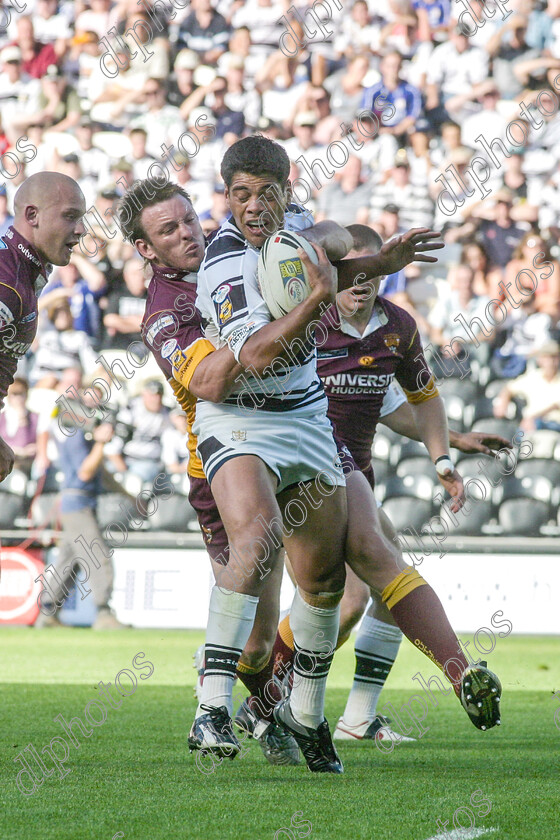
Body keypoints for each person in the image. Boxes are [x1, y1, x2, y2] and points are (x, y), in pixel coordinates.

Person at [120, 176, 349, 769]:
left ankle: (298, 712)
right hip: (223, 452)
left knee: (346, 572)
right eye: (167, 231)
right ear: (147, 249)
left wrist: (334, 249)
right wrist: (273, 322)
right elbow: (214, 381)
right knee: (257, 627)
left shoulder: (243, 246)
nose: (187, 234)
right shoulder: (166, 312)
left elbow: (327, 240)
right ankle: (245, 709)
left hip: (300, 421)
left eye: (188, 220)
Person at [272, 224, 503, 740]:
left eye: (372, 270)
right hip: (304, 472)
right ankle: (265, 691)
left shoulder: (397, 326)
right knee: (355, 590)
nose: (361, 282)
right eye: (353, 271)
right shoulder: (306, 316)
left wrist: (447, 454)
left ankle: (347, 714)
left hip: (355, 475)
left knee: (371, 593)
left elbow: (412, 402)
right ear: (332, 273)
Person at [0, 171, 86, 481]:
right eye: (70, 216)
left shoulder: (21, 272)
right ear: (32, 215)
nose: (81, 230)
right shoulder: (7, 283)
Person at [34, 386, 126, 630]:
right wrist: (100, 443)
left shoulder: (77, 433)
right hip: (77, 503)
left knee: (68, 559)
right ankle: (104, 613)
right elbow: (86, 471)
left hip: (78, 503)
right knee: (97, 556)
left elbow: (99, 471)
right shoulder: (75, 435)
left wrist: (126, 494)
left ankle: (48, 613)